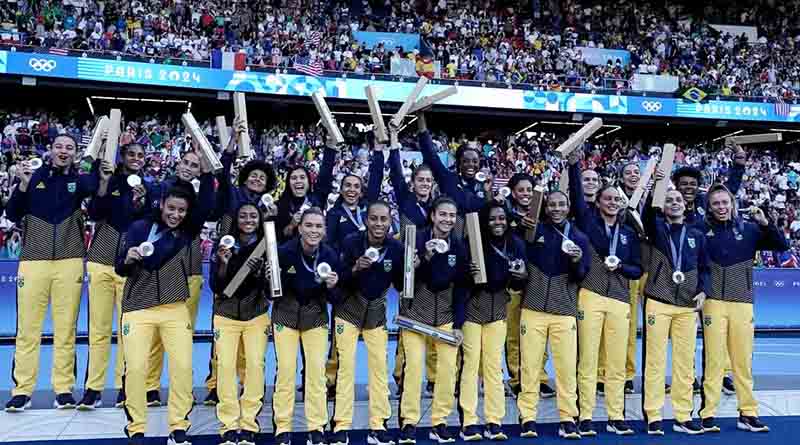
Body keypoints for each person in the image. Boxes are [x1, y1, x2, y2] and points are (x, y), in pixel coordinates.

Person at [115, 175, 214, 445]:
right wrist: (128, 258)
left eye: (182, 210)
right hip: (137, 308)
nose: (176, 215)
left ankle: (178, 426)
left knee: (182, 368)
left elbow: (206, 204)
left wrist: (208, 171)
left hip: (175, 308)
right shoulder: (138, 228)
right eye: (172, 208)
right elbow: (119, 268)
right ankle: (136, 427)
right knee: (135, 368)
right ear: (162, 205)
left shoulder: (186, 231)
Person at [5, 134, 100, 412]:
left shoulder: (80, 181)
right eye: (59, 146)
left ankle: (63, 389)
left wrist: (95, 156)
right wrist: (22, 186)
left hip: (70, 261)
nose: (63, 151)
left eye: (69, 147)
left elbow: (95, 191)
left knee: (66, 329)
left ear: (75, 153)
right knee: (27, 330)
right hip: (34, 260)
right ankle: (22, 390)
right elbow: (12, 214)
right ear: (50, 150)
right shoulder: (34, 177)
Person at [698, 185, 788, 433]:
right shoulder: (701, 230)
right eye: (716, 203)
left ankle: (747, 413)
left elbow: (782, 245)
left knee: (743, 362)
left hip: (742, 302)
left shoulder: (749, 229)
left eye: (725, 202)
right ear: (709, 206)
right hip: (713, 302)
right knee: (714, 361)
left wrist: (766, 222)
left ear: (732, 203)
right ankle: (708, 413)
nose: (721, 207)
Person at [205, 120, 278, 405]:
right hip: (228, 264)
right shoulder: (231, 195)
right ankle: (215, 384)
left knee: (252, 333)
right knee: (222, 336)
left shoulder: (269, 206)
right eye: (254, 175)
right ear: (245, 176)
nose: (258, 179)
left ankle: (249, 388)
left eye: (262, 177)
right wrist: (233, 141)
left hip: (255, 272)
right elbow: (222, 175)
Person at [569, 156, 642, 436]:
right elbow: (577, 197)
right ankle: (585, 415)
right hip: (591, 294)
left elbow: (637, 270)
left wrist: (622, 266)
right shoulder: (588, 223)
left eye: (616, 199)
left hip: (620, 300)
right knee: (587, 359)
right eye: (607, 198)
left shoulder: (628, 233)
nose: (612, 202)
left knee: (615, 361)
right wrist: (575, 165)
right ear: (598, 203)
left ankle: (615, 415)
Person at [79, 142, 152, 410]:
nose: (136, 158)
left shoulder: (150, 187)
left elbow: (150, 222)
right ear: (122, 157)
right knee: (98, 329)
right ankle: (93, 389)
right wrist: (103, 184)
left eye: (140, 155)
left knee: (128, 330)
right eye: (131, 154)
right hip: (99, 261)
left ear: (145, 159)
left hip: (130, 266)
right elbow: (95, 213)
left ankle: (126, 386)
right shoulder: (109, 179)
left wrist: (143, 201)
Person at [144, 149, 215, 407]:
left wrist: (208, 173)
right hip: (159, 273)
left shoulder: (199, 201)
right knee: (155, 336)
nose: (188, 167)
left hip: (190, 274)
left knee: (183, 338)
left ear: (199, 171)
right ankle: (150, 387)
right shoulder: (159, 191)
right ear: (177, 163)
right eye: (185, 162)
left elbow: (209, 205)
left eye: (194, 165)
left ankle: (181, 389)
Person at [330, 201, 403, 445]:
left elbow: (402, 286)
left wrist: (410, 268)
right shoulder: (351, 242)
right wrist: (354, 269)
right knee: (346, 369)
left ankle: (378, 425)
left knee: (379, 370)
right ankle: (341, 425)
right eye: (374, 219)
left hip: (376, 314)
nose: (379, 224)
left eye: (384, 219)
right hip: (348, 311)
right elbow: (337, 279)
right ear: (366, 220)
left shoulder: (396, 247)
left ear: (390, 220)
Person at [398, 197, 469, 445]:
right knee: (414, 368)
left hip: (445, 317)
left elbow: (462, 287)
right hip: (415, 315)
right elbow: (402, 282)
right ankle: (409, 422)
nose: (447, 219)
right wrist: (424, 257)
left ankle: (439, 422)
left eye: (452, 215)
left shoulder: (459, 247)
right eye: (443, 214)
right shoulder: (415, 240)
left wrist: (459, 324)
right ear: (433, 216)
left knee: (449, 370)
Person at [374, 130, 439, 396]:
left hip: (434, 268)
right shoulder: (405, 199)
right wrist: (394, 144)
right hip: (410, 271)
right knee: (407, 325)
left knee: (435, 326)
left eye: (428, 180)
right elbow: (396, 173)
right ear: (413, 183)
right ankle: (401, 376)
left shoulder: (438, 205)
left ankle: (434, 378)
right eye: (420, 180)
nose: (424, 183)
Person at [641, 189, 709, 435]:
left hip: (687, 305)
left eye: (678, 200)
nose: (674, 203)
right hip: (659, 301)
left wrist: (703, 291)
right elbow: (648, 214)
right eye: (669, 200)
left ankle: (683, 415)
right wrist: (656, 189)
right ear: (664, 206)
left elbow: (705, 268)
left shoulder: (696, 235)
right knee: (656, 361)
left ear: (686, 205)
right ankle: (654, 414)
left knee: (684, 363)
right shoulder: (657, 229)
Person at [272, 207, 342, 445]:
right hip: (286, 317)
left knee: (316, 375)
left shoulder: (331, 256)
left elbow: (336, 299)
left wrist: (333, 287)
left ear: (324, 230)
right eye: (309, 225)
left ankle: (317, 427)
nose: (313, 230)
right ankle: (282, 427)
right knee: (286, 373)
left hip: (315, 318)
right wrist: (269, 278)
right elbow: (271, 293)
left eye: (318, 226)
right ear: (300, 228)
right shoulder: (283, 252)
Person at [459, 202, 526, 441]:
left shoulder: (516, 244)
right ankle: (468, 420)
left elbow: (519, 283)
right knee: (470, 365)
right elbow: (460, 278)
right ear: (484, 222)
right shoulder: (472, 244)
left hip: (498, 308)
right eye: (492, 219)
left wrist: (521, 277)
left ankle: (494, 420)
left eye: (501, 218)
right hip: (472, 308)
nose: (498, 223)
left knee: (493, 366)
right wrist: (468, 273)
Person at [210, 203, 272, 445]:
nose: (248, 220)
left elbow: (272, 290)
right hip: (225, 316)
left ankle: (248, 424)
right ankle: (228, 425)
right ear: (237, 219)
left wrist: (264, 277)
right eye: (243, 216)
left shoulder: (267, 246)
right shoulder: (224, 243)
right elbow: (217, 286)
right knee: (225, 368)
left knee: (255, 366)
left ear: (259, 219)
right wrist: (223, 263)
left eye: (253, 216)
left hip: (256, 314)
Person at [501, 173, 554, 398]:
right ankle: (516, 378)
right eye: (521, 190)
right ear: (513, 193)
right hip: (513, 279)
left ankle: (539, 376)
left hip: (538, 281)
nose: (525, 194)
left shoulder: (544, 215)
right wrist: (514, 221)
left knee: (539, 331)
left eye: (529, 190)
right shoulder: (504, 216)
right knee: (513, 331)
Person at [274, 138, 336, 243]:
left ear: (309, 182)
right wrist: (291, 225)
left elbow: (325, 173)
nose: (298, 181)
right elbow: (276, 238)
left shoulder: (316, 199)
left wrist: (330, 146)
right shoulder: (280, 206)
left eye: (302, 177)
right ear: (288, 184)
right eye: (294, 178)